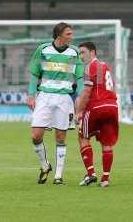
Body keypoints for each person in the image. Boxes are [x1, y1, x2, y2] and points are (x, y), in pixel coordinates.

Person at [27, 22, 84, 185]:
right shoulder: (43, 49)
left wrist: (79, 96)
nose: (71, 37)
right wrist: (31, 94)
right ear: (59, 35)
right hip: (44, 96)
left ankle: (58, 176)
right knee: (36, 135)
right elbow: (34, 73)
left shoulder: (74, 52)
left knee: (60, 136)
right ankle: (45, 166)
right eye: (68, 34)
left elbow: (80, 77)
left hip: (64, 98)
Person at [76, 42, 119, 188]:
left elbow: (87, 92)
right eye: (79, 53)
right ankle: (105, 179)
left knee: (82, 136)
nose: (81, 56)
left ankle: (90, 173)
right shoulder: (105, 66)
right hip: (112, 106)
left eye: (83, 52)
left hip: (97, 106)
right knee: (106, 142)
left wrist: (78, 112)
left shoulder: (90, 67)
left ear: (93, 52)